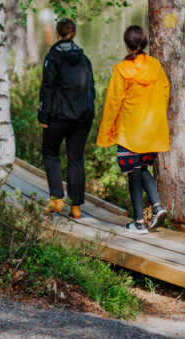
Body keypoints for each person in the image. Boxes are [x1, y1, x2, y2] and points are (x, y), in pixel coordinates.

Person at [96, 25, 170, 235]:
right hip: (151, 132)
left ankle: (139, 222)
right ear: (144, 42)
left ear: (127, 44)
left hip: (130, 132)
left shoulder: (122, 70)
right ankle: (157, 206)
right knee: (143, 169)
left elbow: (112, 103)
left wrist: (106, 132)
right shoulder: (155, 66)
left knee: (133, 174)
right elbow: (165, 91)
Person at [38, 18, 95, 219]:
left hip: (58, 116)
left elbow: (47, 88)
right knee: (76, 159)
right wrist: (89, 113)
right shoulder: (84, 58)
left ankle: (57, 200)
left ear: (57, 33)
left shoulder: (52, 57)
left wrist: (42, 116)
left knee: (50, 153)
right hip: (82, 117)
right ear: (74, 33)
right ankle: (76, 208)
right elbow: (91, 88)